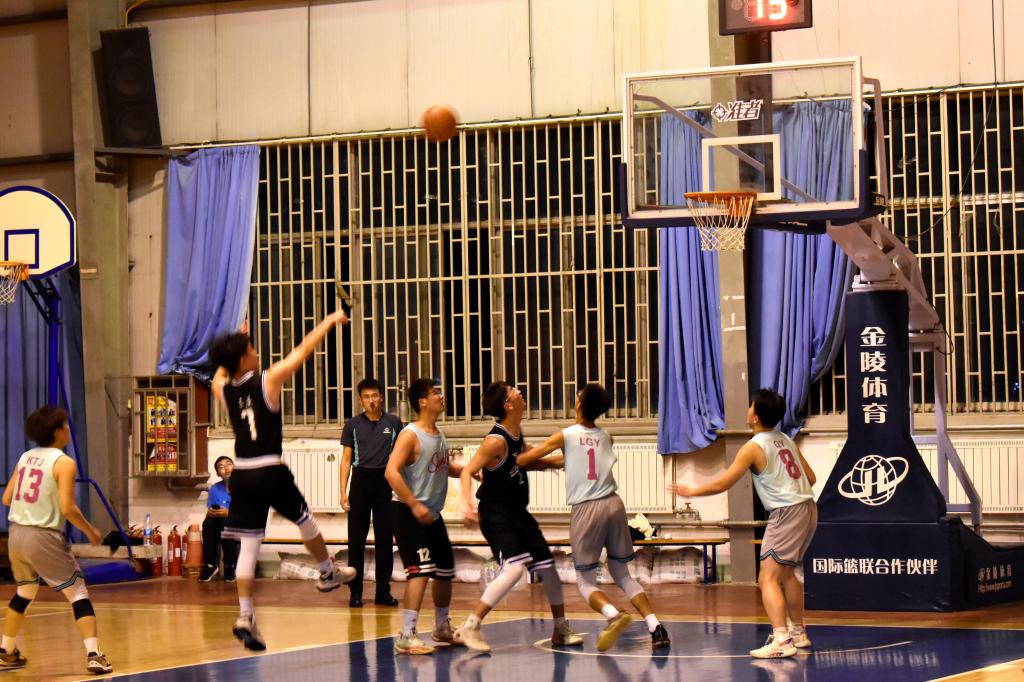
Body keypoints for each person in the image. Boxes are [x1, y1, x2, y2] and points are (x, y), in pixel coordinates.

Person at [209, 312, 357, 652]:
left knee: (248, 546)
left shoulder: (225, 391)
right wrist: (330, 320)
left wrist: (233, 342)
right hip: (269, 469)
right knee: (306, 521)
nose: (257, 352)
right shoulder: (268, 380)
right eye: (251, 348)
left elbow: (218, 375)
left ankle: (245, 615)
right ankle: (327, 571)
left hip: (241, 474)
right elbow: (303, 351)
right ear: (243, 358)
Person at [519, 384, 670, 652]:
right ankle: (655, 627)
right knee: (622, 573)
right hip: (614, 505)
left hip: (587, 509)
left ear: (579, 403)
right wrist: (546, 463)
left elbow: (523, 460)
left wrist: (517, 454)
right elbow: (570, 460)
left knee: (584, 580)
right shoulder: (606, 437)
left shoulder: (565, 435)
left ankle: (613, 614)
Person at [668, 388, 817, 659]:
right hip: (808, 507)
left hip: (786, 512)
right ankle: (798, 632)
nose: (747, 410)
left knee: (767, 578)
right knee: (788, 573)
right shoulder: (785, 439)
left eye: (750, 406)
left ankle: (782, 639)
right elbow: (812, 478)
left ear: (756, 417)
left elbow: (723, 483)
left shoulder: (754, 446)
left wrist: (692, 490)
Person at [454, 381, 583, 653]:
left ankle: (560, 629)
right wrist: (466, 504)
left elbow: (527, 462)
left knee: (548, 568)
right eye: (514, 390)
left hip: (518, 512)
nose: (520, 391)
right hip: (496, 513)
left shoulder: (516, 433)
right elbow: (467, 471)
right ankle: (471, 625)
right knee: (514, 569)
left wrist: (567, 461)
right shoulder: (495, 440)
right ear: (508, 405)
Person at [0, 406, 113, 674]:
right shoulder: (64, 462)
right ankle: (94, 655)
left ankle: (6, 650)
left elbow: (6, 499)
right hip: (43, 535)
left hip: (16, 534)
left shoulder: (25, 457)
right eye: (66, 425)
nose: (68, 429)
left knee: (25, 591)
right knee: (78, 592)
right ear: (57, 431)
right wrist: (90, 531)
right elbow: (67, 508)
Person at [384, 378, 465, 655]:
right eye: (435, 393)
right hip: (408, 512)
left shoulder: (438, 434)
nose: (441, 397)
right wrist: (414, 504)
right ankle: (407, 635)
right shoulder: (410, 435)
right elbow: (391, 472)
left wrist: (468, 471)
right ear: (422, 402)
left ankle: (441, 627)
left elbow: (443, 466)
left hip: (432, 514)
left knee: (445, 570)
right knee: (419, 572)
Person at [340, 378, 402, 607]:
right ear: (360, 400)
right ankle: (355, 593)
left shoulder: (394, 423)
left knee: (385, 539)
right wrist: (343, 491)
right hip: (360, 482)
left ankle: (383, 592)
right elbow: (346, 459)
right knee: (356, 540)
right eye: (366, 397)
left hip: (385, 483)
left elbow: (402, 456)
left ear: (381, 397)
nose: (371, 400)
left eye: (374, 395)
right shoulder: (352, 424)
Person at [199, 456, 240, 582]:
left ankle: (229, 565)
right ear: (218, 473)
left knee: (226, 522)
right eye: (221, 467)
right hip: (221, 525)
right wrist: (211, 513)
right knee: (208, 523)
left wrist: (229, 512)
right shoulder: (215, 489)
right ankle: (210, 565)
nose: (226, 468)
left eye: (228, 464)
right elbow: (211, 512)